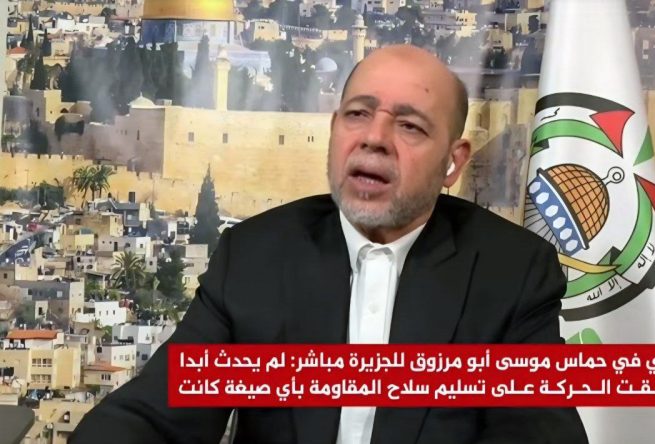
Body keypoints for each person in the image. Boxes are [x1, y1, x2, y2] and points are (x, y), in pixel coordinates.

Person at [70, 45, 588, 444]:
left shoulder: (512, 273)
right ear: (335, 127)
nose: (374, 138)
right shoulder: (254, 256)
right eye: (358, 114)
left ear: (453, 163)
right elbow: (155, 415)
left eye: (409, 126)